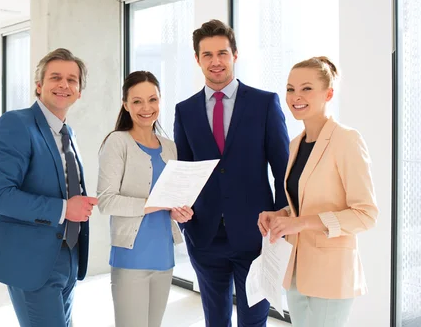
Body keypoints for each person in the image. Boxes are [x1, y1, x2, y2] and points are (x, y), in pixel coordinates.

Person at [174, 19, 290, 326]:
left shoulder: (264, 103)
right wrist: (184, 219)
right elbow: (185, 171)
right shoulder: (184, 110)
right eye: (208, 54)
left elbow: (282, 169)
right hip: (204, 236)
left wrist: (281, 217)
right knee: (216, 320)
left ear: (235, 55)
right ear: (197, 59)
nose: (216, 61)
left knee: (254, 320)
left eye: (222, 53)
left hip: (256, 233)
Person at [0, 48, 98, 327]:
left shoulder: (69, 133)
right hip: (31, 261)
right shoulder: (16, 124)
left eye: (72, 80)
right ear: (39, 85)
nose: (64, 85)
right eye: (55, 77)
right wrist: (64, 208)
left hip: (69, 256)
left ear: (79, 91)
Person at [258, 56, 378, 327]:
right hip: (297, 268)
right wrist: (280, 214)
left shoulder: (347, 140)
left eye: (306, 88)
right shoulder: (295, 144)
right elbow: (304, 203)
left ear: (329, 93)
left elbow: (365, 214)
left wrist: (299, 222)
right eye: (290, 89)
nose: (295, 96)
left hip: (331, 272)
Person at [97, 71, 193, 327]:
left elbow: (170, 202)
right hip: (131, 257)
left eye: (152, 99)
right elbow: (106, 201)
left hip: (164, 256)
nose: (146, 107)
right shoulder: (117, 142)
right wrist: (156, 203)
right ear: (126, 105)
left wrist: (177, 211)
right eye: (137, 101)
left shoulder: (170, 147)